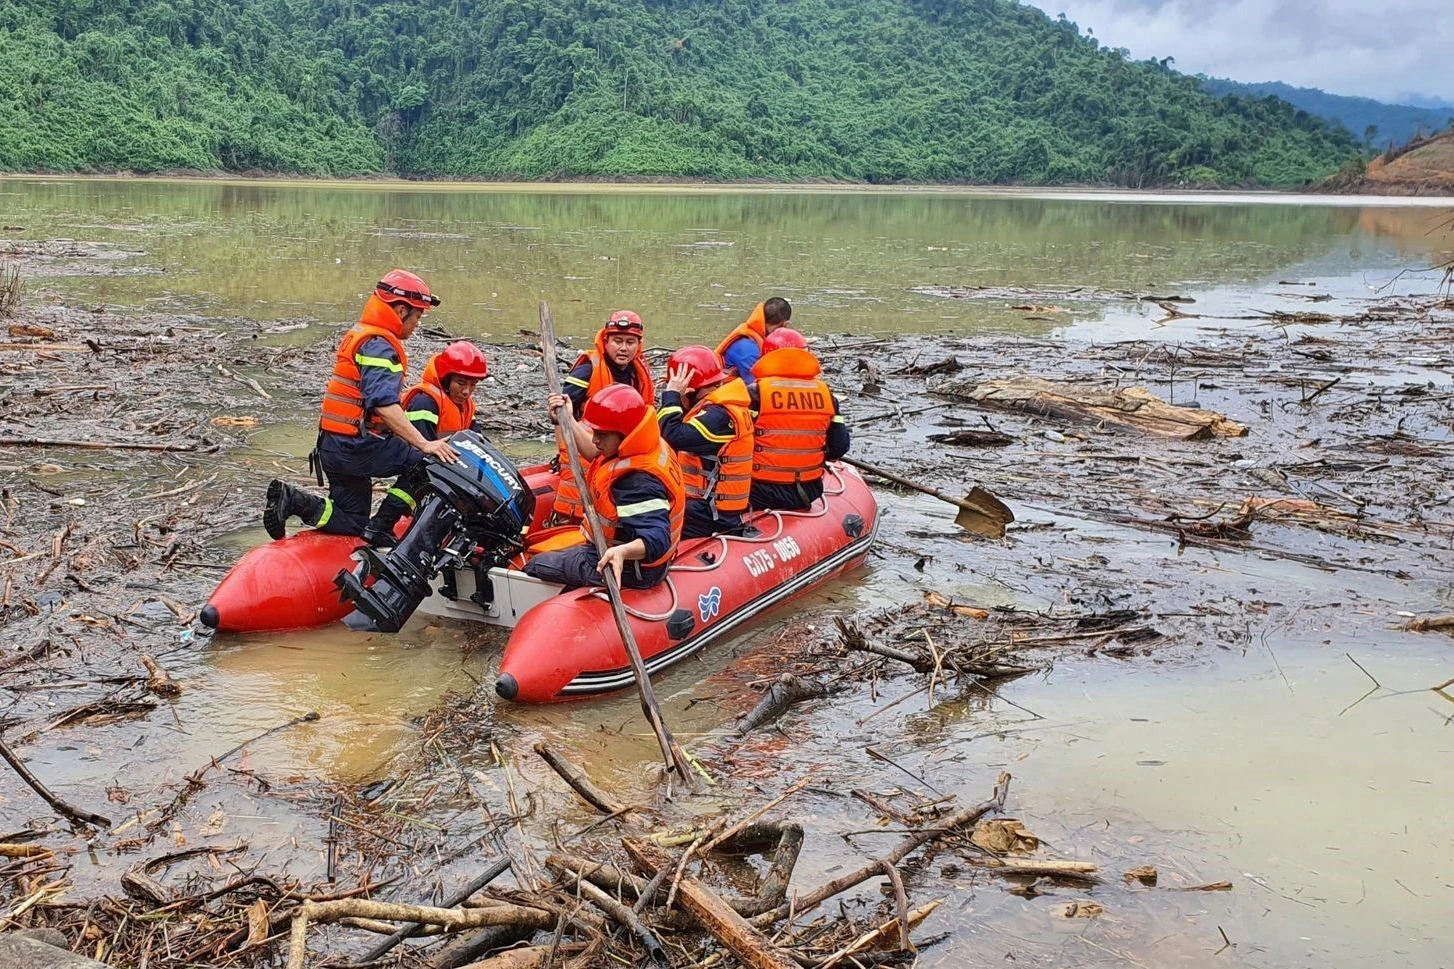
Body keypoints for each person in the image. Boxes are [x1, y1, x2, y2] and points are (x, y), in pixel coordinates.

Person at [262, 270, 459, 542]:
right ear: (401, 310)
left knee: (353, 521)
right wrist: (425, 444)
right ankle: (383, 525)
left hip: (332, 446)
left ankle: (295, 501)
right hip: (356, 447)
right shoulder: (380, 346)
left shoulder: (366, 336)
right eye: (417, 317)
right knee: (427, 462)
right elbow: (384, 406)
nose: (417, 324)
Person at [525, 384, 684, 590]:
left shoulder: (636, 482)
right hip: (617, 550)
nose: (595, 439)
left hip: (629, 568)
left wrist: (621, 553)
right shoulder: (643, 442)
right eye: (595, 431)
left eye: (602, 435)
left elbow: (656, 539)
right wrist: (569, 419)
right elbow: (595, 453)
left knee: (536, 564)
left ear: (623, 433)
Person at [363, 340, 489, 546]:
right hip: (419, 465)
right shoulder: (425, 401)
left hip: (448, 466)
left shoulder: (465, 406)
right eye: (461, 383)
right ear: (447, 379)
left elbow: (477, 440)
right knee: (419, 472)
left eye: (472, 385)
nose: (466, 391)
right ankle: (381, 524)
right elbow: (420, 447)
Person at [549, 311, 657, 525]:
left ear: (639, 344)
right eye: (618, 341)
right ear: (606, 341)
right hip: (586, 451)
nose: (624, 348)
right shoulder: (587, 371)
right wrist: (555, 415)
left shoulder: (637, 373)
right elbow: (560, 411)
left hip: (621, 456)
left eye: (630, 342)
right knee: (577, 516)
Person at [748, 327, 850, 511]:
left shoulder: (755, 393)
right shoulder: (826, 394)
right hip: (810, 489)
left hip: (759, 491)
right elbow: (839, 447)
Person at [657, 345, 753, 538]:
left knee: (647, 528)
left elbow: (670, 435)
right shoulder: (723, 406)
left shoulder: (717, 417)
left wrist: (672, 395)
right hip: (710, 505)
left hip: (711, 512)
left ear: (690, 390)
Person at [715, 297, 792, 388]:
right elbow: (756, 386)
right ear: (785, 325)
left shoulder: (753, 334)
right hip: (725, 392)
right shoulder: (748, 348)